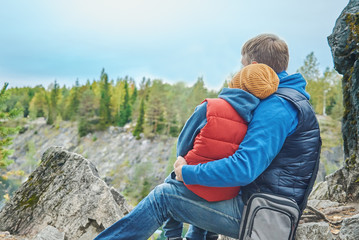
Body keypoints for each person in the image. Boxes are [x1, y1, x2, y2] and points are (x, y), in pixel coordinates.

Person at [94, 33, 321, 240]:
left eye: (241, 67)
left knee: (164, 196)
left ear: (253, 66)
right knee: (201, 186)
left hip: (262, 215)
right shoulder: (285, 97)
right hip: (261, 205)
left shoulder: (277, 107)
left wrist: (187, 173)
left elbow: (244, 169)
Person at [162, 63, 279, 240]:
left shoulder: (210, 107)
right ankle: (207, 235)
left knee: (168, 185)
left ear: (238, 81)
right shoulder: (256, 120)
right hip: (227, 191)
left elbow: (183, 143)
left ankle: (172, 237)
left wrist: (182, 159)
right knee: (212, 192)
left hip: (193, 183)